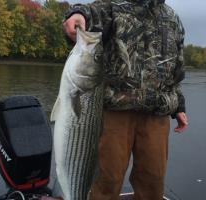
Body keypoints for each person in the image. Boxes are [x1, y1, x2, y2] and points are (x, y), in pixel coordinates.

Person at [63, 0, 188, 199]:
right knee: (107, 180)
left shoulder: (171, 16)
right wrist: (77, 14)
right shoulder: (112, 5)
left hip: (156, 114)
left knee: (153, 181)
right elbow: (89, 14)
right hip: (115, 111)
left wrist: (178, 105)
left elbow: (176, 65)